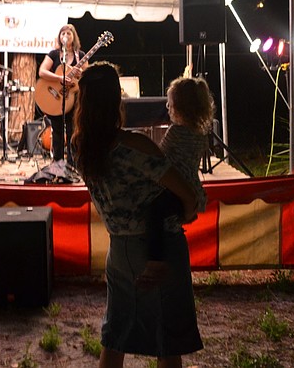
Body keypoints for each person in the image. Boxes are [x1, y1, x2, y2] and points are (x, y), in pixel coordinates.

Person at [72, 62, 203, 368]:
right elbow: (187, 194)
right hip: (160, 247)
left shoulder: (81, 147)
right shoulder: (137, 145)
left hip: (120, 250)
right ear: (116, 100)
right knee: (167, 342)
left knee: (115, 338)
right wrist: (186, 212)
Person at [146, 76, 213, 263]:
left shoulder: (176, 132)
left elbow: (160, 157)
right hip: (190, 186)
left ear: (181, 107)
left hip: (175, 188)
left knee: (154, 213)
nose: (168, 107)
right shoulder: (200, 133)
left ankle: (154, 259)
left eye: (171, 104)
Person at [37, 24, 85, 165]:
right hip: (57, 99)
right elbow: (42, 71)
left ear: (74, 37)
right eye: (63, 33)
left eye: (68, 33)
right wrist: (59, 78)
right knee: (57, 131)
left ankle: (71, 164)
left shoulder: (81, 56)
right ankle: (57, 163)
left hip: (73, 100)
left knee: (72, 131)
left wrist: (81, 74)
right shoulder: (53, 54)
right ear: (59, 37)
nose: (65, 36)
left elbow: (86, 78)